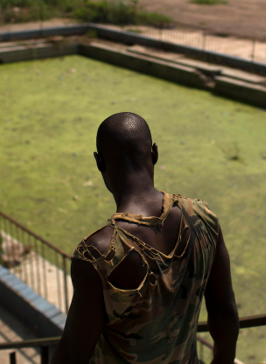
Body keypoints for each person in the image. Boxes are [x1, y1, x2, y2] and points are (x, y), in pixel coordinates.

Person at [51, 112, 238, 364]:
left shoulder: (99, 254)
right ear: (154, 153)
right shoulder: (203, 217)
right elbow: (224, 311)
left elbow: (72, 355)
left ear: (99, 163)